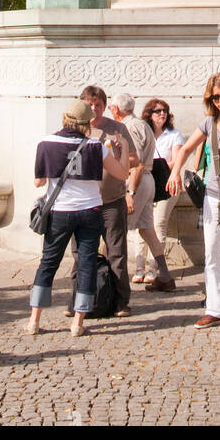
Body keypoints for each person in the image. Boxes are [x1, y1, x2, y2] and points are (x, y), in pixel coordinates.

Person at [28, 99, 129, 336]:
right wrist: (121, 147)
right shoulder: (96, 146)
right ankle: (78, 322)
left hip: (60, 211)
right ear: (86, 123)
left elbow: (38, 181)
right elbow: (122, 173)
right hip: (90, 210)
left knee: (48, 262)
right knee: (87, 264)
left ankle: (34, 319)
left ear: (65, 118)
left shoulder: (46, 143)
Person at [167, 72, 220, 328]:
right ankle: (216, 308)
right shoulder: (209, 123)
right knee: (212, 253)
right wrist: (175, 171)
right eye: (215, 97)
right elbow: (186, 149)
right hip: (213, 194)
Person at [72, 86, 135, 316]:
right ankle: (77, 299)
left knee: (116, 252)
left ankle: (121, 301)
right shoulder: (76, 130)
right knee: (80, 253)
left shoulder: (117, 128)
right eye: (89, 104)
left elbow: (134, 159)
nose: (94, 109)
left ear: (105, 106)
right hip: (83, 202)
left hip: (111, 199)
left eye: (98, 104)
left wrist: (121, 152)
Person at [109, 92, 175, 292]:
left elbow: (135, 162)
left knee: (115, 229)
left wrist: (129, 192)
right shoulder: (142, 125)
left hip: (135, 180)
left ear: (116, 109)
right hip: (147, 179)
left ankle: (112, 279)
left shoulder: (129, 127)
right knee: (147, 229)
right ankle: (164, 274)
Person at [133, 99, 183, 284]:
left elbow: (176, 160)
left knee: (158, 224)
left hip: (164, 182)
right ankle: (139, 267)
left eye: (165, 111)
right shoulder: (143, 131)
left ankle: (154, 268)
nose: (162, 114)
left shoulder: (173, 134)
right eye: (157, 111)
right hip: (144, 181)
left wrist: (151, 167)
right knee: (141, 225)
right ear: (149, 114)